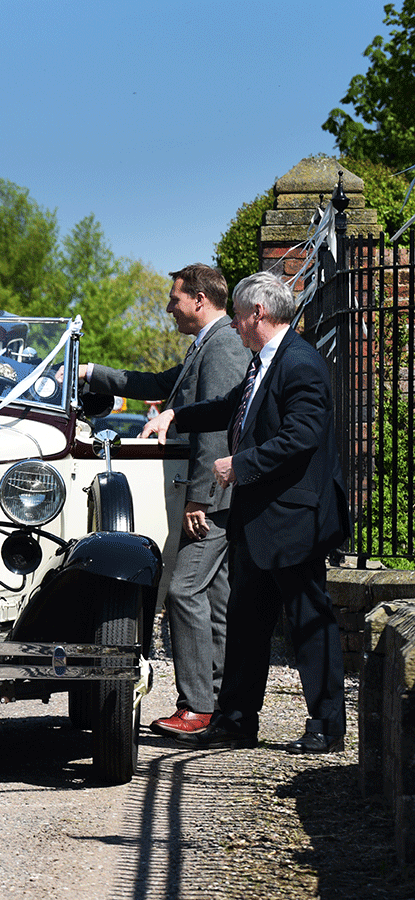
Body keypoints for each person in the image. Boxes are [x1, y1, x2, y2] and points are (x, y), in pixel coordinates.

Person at [141, 271, 350, 754]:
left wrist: (241, 463)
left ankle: (326, 725)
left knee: (308, 623)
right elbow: (231, 408)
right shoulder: (263, 365)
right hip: (257, 521)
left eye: (237, 315)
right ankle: (236, 721)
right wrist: (176, 414)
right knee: (246, 625)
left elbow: (302, 436)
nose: (233, 325)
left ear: (257, 313)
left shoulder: (301, 363)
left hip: (295, 520)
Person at [81, 264, 250, 738]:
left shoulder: (221, 346)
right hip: (214, 497)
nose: (168, 306)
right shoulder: (208, 344)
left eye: (174, 298)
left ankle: (197, 707)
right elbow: (158, 386)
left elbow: (217, 432)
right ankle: (218, 705)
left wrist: (200, 499)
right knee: (213, 598)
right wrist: (93, 373)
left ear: (199, 299)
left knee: (184, 592)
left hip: (212, 498)